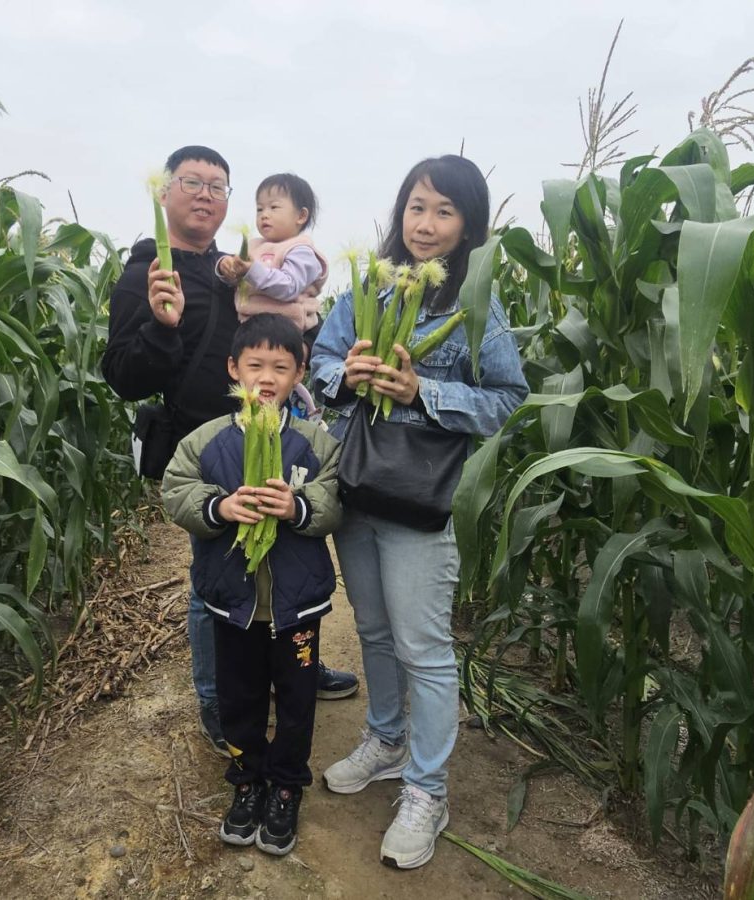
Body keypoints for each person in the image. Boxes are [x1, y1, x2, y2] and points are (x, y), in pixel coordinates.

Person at [101, 146, 357, 760]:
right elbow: (124, 376)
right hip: (211, 449)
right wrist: (161, 327)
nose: (206, 194)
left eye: (218, 185)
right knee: (215, 579)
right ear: (165, 194)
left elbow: (287, 333)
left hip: (281, 438)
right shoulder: (145, 274)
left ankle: (294, 669)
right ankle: (218, 698)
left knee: (288, 561)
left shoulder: (238, 268)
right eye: (191, 181)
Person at [310, 155, 528, 869]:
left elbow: (506, 401)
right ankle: (386, 740)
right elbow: (320, 360)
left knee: (424, 649)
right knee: (372, 629)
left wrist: (420, 395)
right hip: (357, 488)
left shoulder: (475, 306)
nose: (425, 224)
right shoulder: (367, 287)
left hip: (421, 499)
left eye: (443, 211)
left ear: (468, 225)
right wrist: (344, 375)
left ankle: (427, 791)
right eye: (415, 207)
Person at [162, 313, 342, 856]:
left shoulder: (315, 443)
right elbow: (176, 491)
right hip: (232, 606)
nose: (267, 376)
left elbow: (333, 501)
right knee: (240, 698)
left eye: (281, 367)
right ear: (234, 370)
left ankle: (286, 783)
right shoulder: (207, 441)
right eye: (255, 365)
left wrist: (298, 506)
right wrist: (219, 506)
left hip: (297, 608)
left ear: (299, 374)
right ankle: (247, 779)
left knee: (296, 698)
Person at [217, 173, 328, 333]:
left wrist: (251, 270)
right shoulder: (254, 246)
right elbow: (240, 283)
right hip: (248, 327)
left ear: (301, 216)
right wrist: (226, 269)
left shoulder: (302, 251)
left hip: (286, 329)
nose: (264, 215)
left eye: (274, 207)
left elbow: (289, 287)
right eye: (259, 209)